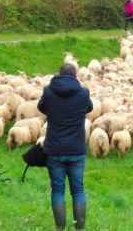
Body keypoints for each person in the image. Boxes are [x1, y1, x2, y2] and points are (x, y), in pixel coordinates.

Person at [38, 64, 93, 230]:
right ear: (75, 76)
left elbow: (41, 107)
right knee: (78, 190)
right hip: (76, 149)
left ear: (59, 75)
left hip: (54, 149)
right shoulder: (83, 93)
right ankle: (79, 227)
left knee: (58, 190)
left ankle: (60, 228)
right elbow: (90, 108)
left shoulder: (49, 91)